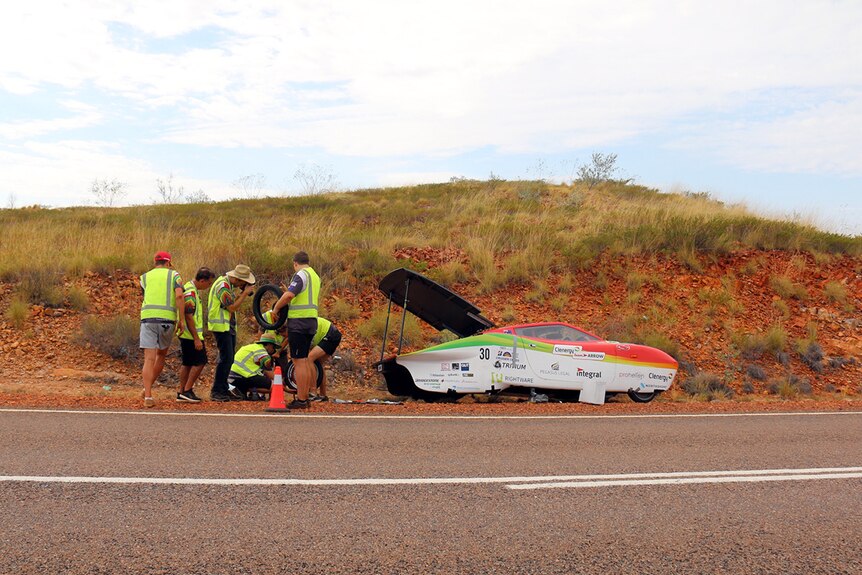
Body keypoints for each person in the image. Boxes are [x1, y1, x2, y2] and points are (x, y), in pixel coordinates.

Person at [272, 251, 320, 410]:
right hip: (311, 321)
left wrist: (276, 309)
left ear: (295, 263)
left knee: (298, 361)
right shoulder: (314, 276)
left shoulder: (301, 275)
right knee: (304, 360)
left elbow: (289, 296)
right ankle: (305, 397)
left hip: (299, 322)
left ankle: (301, 398)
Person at [139, 251, 185, 408]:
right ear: (168, 263)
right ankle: (147, 387)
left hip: (148, 319)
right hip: (167, 321)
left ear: (155, 263)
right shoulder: (174, 276)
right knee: (161, 355)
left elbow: (144, 295)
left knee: (148, 359)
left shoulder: (144, 277)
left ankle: (148, 395)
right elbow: (179, 296)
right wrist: (181, 319)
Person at [208, 264, 256, 401]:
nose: (244, 285)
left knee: (229, 359)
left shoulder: (228, 285)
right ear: (238, 279)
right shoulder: (223, 286)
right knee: (226, 359)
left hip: (227, 326)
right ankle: (217, 391)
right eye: (244, 283)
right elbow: (232, 307)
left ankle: (223, 388)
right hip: (221, 326)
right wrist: (244, 294)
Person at [177, 267, 216, 402]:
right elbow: (189, 316)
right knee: (200, 361)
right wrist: (196, 338)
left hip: (187, 334)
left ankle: (182, 391)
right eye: (208, 283)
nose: (208, 286)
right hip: (190, 335)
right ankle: (187, 390)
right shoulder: (191, 292)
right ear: (202, 280)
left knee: (187, 363)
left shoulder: (191, 289)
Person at [227, 333, 278, 400]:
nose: (274, 350)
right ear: (269, 345)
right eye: (273, 347)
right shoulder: (261, 351)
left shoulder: (250, 347)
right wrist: (279, 381)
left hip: (232, 376)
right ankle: (252, 391)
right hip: (245, 375)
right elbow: (267, 369)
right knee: (274, 387)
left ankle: (242, 390)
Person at [307, 316, 342, 401]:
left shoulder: (299, 328)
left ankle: (313, 392)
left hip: (330, 334)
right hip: (332, 334)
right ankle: (323, 395)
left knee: (309, 359)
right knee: (318, 364)